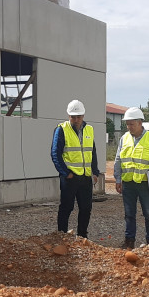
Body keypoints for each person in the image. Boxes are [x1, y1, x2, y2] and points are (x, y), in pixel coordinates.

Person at [50, 99, 103, 239]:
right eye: (73, 116)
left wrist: (95, 171)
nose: (76, 119)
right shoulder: (61, 130)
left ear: (83, 116)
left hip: (85, 177)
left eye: (79, 116)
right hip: (70, 177)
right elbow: (55, 153)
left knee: (86, 208)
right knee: (66, 207)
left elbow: (92, 152)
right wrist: (65, 173)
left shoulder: (89, 130)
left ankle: (82, 236)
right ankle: (62, 235)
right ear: (68, 116)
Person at [114, 107, 149, 249]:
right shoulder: (124, 138)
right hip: (128, 182)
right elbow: (118, 160)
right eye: (128, 124)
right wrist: (118, 179)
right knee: (129, 214)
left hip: (144, 183)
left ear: (140, 122)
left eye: (132, 124)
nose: (129, 127)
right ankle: (129, 241)